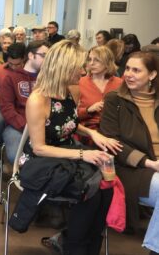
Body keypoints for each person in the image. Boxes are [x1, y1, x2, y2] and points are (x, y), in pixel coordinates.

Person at [24, 40, 122, 254]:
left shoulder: (72, 91)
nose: (84, 69)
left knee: (108, 183)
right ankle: (74, 246)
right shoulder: (38, 100)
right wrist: (82, 155)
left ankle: (85, 243)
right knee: (90, 191)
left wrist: (93, 133)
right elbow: (39, 148)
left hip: (68, 152)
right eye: (80, 65)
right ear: (64, 68)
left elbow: (69, 122)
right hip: (43, 160)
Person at [100, 52, 159, 254]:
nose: (129, 74)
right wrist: (149, 163)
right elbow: (111, 143)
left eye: (136, 70)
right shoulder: (115, 100)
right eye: (127, 69)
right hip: (131, 168)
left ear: (152, 75)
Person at [0, 42, 27, 181]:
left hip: (23, 110)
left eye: (17, 64)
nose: (13, 67)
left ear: (24, 59)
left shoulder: (29, 73)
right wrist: (2, 101)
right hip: (2, 108)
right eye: (11, 64)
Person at [0, 41, 49, 164]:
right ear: (31, 56)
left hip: (45, 127)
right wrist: (27, 127)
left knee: (50, 158)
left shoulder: (47, 79)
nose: (48, 60)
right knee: (17, 157)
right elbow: (7, 109)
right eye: (44, 55)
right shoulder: (11, 78)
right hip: (18, 126)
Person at [77, 46, 123, 145]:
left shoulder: (120, 84)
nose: (91, 63)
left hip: (115, 130)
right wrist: (88, 110)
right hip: (88, 132)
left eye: (96, 60)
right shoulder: (80, 83)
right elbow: (72, 115)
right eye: (89, 59)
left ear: (107, 62)